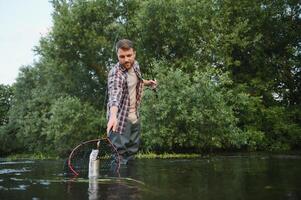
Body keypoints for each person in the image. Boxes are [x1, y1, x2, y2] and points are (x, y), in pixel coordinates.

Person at [106, 39, 157, 165]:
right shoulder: (115, 74)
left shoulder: (135, 65)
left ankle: (131, 183)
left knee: (132, 153)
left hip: (135, 117)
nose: (126, 59)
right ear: (117, 56)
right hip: (119, 120)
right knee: (119, 157)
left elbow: (136, 80)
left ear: (134, 53)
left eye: (129, 55)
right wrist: (113, 117)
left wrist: (147, 83)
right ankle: (118, 183)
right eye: (122, 57)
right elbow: (114, 95)